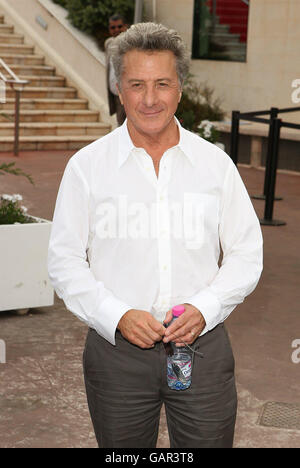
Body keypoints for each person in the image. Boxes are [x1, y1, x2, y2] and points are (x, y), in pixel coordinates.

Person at [48, 22, 263, 448]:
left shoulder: (215, 165)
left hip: (202, 350)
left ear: (180, 88)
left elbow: (246, 252)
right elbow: (65, 260)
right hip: (116, 358)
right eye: (136, 84)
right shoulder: (87, 167)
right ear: (118, 89)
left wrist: (205, 307)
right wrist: (117, 316)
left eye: (162, 83)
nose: (149, 99)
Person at [104, 14, 127, 126]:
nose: (116, 30)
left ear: (125, 27)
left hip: (129, 95)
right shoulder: (109, 44)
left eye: (119, 26)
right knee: (120, 127)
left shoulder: (132, 44)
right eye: (113, 27)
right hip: (115, 95)